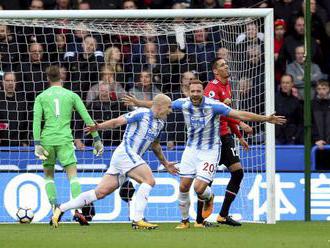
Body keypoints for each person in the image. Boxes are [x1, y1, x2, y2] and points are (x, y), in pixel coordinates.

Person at [123, 80, 286, 229]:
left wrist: (265, 118)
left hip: (210, 151)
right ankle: (185, 221)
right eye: (192, 91)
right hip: (191, 150)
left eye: (198, 91)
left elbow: (239, 114)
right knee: (183, 186)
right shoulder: (183, 103)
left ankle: (209, 197)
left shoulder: (214, 105)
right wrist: (138, 103)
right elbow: (159, 104)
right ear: (188, 91)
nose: (195, 94)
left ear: (203, 92)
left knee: (199, 188)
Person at [51, 94, 179, 229]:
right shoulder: (141, 113)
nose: (170, 111)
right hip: (125, 153)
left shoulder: (160, 123)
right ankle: (138, 219)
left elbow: (155, 145)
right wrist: (98, 127)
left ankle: (61, 208)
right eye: (169, 107)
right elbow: (117, 121)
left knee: (99, 193)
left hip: (128, 159)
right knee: (149, 181)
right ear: (160, 106)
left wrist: (165, 163)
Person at [33, 65, 104, 224]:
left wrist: (37, 143)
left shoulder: (41, 97)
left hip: (47, 140)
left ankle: (54, 211)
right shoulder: (72, 95)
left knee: (49, 177)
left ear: (47, 79)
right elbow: (87, 118)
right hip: (65, 140)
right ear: (61, 77)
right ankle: (77, 210)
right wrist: (96, 138)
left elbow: (36, 122)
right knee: (73, 177)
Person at [195, 57, 252, 227]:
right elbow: (215, 112)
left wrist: (239, 136)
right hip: (213, 139)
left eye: (227, 64)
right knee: (206, 180)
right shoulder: (212, 89)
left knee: (238, 172)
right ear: (215, 71)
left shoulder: (227, 86)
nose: (226, 67)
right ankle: (199, 220)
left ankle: (223, 215)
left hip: (226, 137)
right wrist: (241, 123)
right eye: (222, 65)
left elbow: (227, 115)